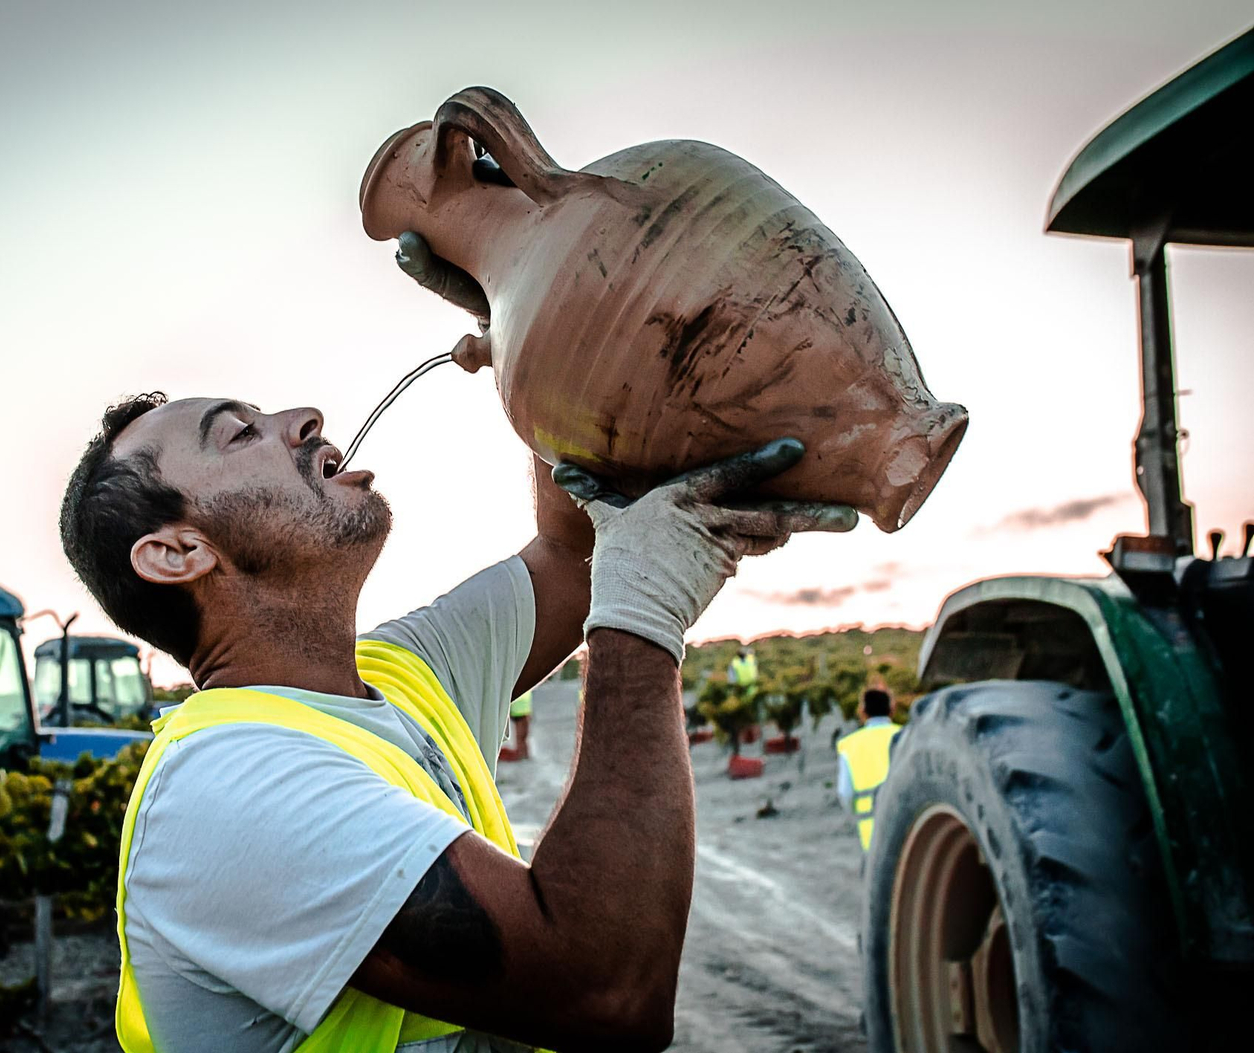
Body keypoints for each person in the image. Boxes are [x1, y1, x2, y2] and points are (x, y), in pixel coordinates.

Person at [59, 239, 856, 1053]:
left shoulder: (399, 674)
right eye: (239, 434)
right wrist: (647, 603)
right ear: (177, 553)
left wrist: (533, 327)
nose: (303, 419)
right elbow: (609, 988)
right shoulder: (226, 789)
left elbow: (569, 553)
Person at [836, 687, 902, 850]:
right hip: (907, 824)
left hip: (871, 830)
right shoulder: (905, 735)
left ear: (862, 711)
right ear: (892, 709)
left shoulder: (849, 745)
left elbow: (845, 793)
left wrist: (854, 815)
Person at [497, 690, 532, 762]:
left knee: (522, 737)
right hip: (520, 710)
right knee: (522, 737)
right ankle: (522, 754)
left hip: (520, 709)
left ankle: (522, 754)